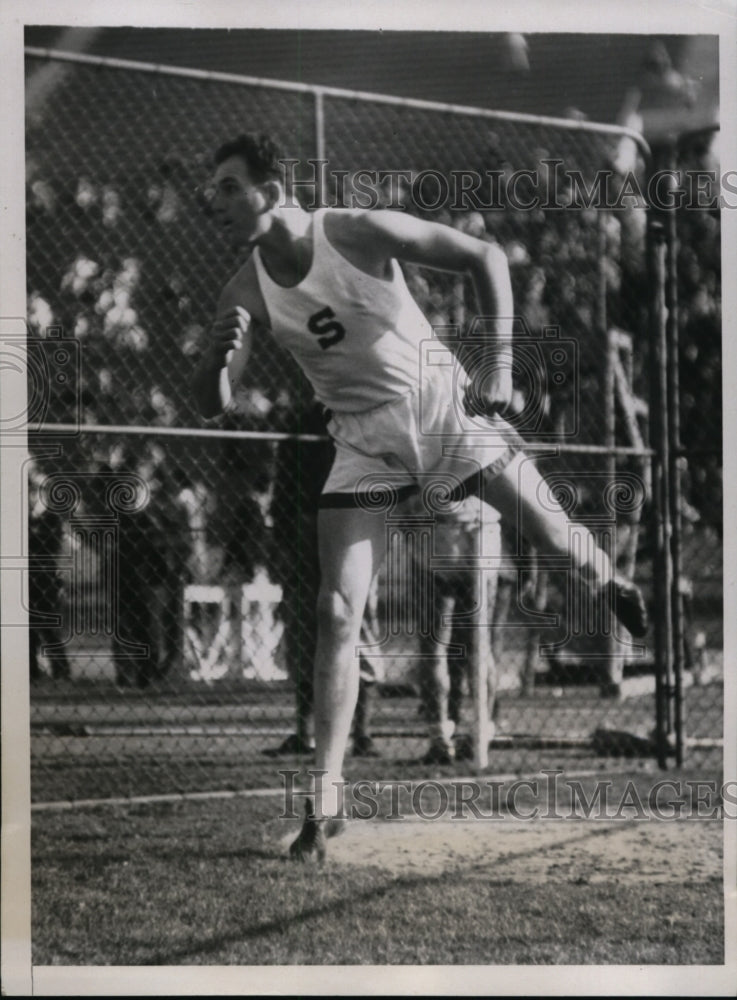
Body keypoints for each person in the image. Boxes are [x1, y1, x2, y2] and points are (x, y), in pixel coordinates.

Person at [192, 133, 648, 862]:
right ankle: (327, 797)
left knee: (552, 535)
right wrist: (214, 365)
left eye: (224, 187)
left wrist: (498, 366)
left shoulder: (351, 230)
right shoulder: (242, 290)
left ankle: (607, 578)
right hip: (361, 441)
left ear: (271, 193)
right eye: (209, 189)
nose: (209, 201)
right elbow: (212, 402)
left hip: (437, 408)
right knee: (334, 611)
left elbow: (485, 257)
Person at [411, 492, 503, 765]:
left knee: (435, 645)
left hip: (440, 526)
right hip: (482, 525)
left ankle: (440, 735)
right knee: (480, 645)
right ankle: (481, 731)